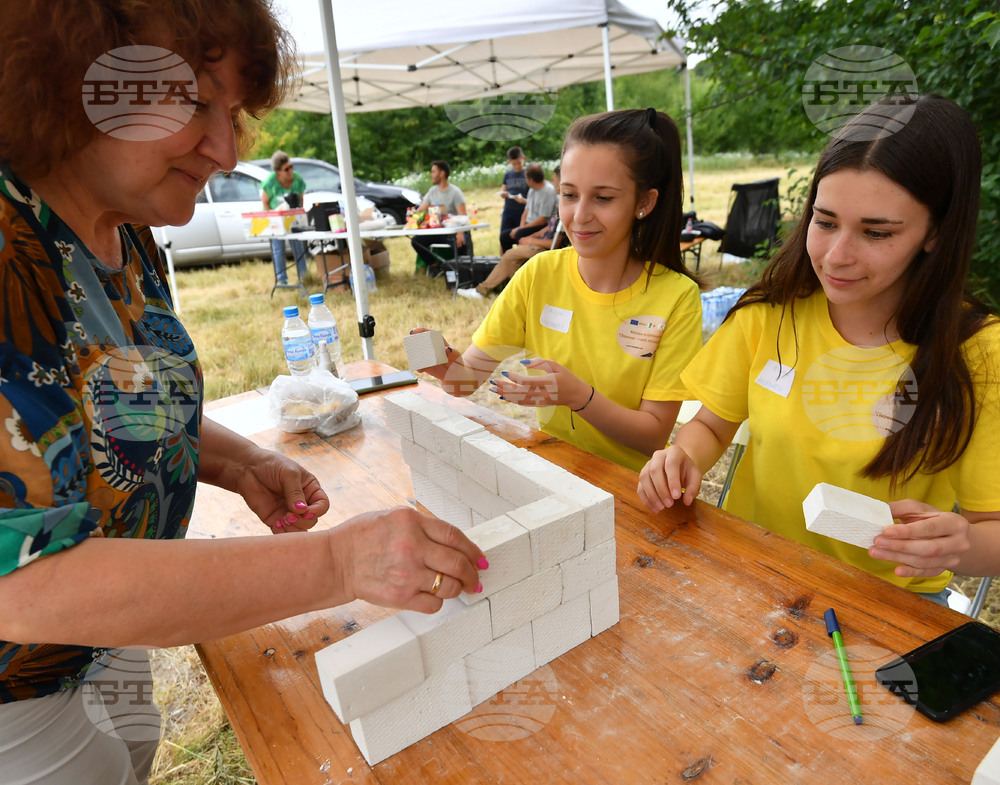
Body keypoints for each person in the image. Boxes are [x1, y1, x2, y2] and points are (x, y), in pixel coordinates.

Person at [0, 2, 486, 782]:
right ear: (69, 80)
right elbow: (25, 583)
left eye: (231, 113)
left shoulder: (123, 228)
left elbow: (108, 405)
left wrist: (235, 460)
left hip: (111, 637)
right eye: (194, 102)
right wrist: (338, 564)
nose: (227, 150)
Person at [637, 94, 1000, 604]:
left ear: (937, 232)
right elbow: (713, 423)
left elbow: (993, 532)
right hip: (756, 575)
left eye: (876, 232)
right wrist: (682, 458)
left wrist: (956, 547)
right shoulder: (772, 312)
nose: (836, 256)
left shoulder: (980, 353)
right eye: (825, 222)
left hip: (889, 608)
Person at [414, 108, 703, 473]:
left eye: (603, 198)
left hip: (629, 490)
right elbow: (465, 381)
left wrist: (578, 397)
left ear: (644, 202)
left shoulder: (676, 298)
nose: (580, 216)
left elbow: (652, 435)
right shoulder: (539, 274)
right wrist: (445, 367)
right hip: (554, 472)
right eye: (569, 195)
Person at [466, 166, 566, 298]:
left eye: (554, 180)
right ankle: (523, 294)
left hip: (546, 248)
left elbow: (556, 242)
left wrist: (530, 240)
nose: (552, 183)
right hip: (540, 241)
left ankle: (483, 290)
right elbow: (549, 228)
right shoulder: (560, 202)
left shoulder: (564, 207)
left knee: (510, 255)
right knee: (512, 257)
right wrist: (530, 235)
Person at [410, 159, 470, 273]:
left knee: (460, 244)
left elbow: (463, 216)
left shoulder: (455, 192)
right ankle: (434, 267)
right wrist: (412, 219)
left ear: (442, 174)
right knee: (416, 241)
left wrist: (460, 233)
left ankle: (460, 272)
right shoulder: (432, 191)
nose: (430, 174)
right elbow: (421, 209)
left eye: (433, 172)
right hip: (437, 231)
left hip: (452, 232)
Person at [261, 149, 309, 286]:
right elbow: (264, 200)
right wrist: (271, 217)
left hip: (292, 218)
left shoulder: (297, 178)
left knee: (298, 246)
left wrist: (299, 214)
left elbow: (301, 198)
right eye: (286, 169)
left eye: (291, 167)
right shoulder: (271, 182)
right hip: (276, 218)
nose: (290, 171)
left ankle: (303, 276)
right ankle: (282, 280)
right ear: (278, 172)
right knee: (278, 248)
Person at [499, 163, 557, 253]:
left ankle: (521, 260)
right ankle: (510, 259)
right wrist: (521, 227)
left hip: (540, 226)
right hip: (529, 224)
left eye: (526, 178)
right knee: (504, 236)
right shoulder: (532, 189)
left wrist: (521, 229)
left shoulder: (548, 191)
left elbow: (542, 220)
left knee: (519, 234)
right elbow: (525, 212)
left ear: (531, 180)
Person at [498, 145, 528, 242]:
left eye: (519, 163)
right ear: (509, 162)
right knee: (503, 236)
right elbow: (503, 190)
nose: (517, 166)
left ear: (523, 158)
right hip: (508, 210)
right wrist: (503, 194)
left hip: (522, 211)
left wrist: (525, 201)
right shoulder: (508, 174)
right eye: (514, 164)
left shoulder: (528, 174)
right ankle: (503, 257)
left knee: (519, 237)